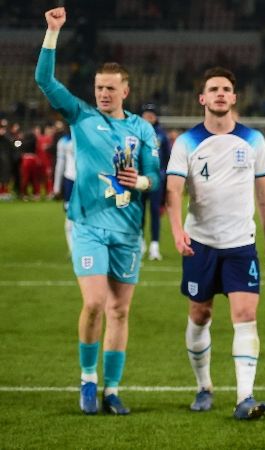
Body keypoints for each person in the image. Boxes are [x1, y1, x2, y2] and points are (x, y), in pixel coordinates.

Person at [35, 7, 161, 415]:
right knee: (93, 304)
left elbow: (155, 177)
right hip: (88, 225)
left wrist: (140, 183)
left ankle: (112, 389)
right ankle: (88, 379)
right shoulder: (81, 116)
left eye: (110, 88)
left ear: (126, 90)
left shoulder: (142, 130)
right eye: (99, 87)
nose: (103, 93)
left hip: (127, 230)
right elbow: (44, 80)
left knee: (120, 310)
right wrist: (53, 32)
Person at [165, 67, 265, 420]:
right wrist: (176, 231)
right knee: (200, 314)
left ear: (233, 98)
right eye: (213, 89)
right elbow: (172, 189)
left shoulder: (254, 140)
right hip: (200, 242)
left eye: (226, 89)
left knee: (246, 316)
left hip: (241, 244)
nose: (219, 94)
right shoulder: (186, 142)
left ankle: (245, 398)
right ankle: (204, 386)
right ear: (202, 98)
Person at [140, 103, 171, 260]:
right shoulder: (135, 133)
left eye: (151, 114)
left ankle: (154, 246)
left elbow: (167, 159)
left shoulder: (162, 136)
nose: (148, 117)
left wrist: (164, 178)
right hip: (139, 179)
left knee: (155, 213)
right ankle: (140, 244)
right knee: (139, 213)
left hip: (156, 181)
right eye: (146, 114)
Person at [53, 127, 76, 254]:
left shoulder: (90, 136)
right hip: (70, 181)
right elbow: (60, 164)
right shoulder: (64, 141)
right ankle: (72, 249)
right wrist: (56, 186)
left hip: (87, 182)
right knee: (70, 217)